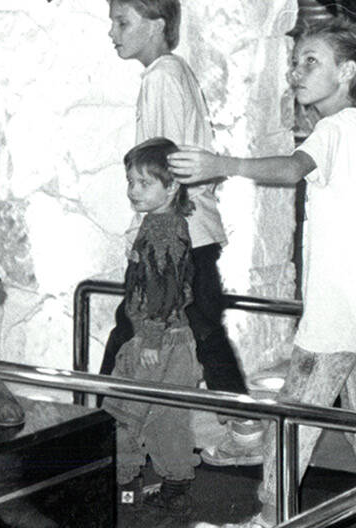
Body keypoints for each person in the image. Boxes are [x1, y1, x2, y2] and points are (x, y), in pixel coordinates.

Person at [169, 18, 356, 528]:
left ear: (346, 71)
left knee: (292, 418)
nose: (296, 73)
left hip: (338, 314)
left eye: (311, 62)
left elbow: (291, 169)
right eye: (295, 62)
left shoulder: (334, 129)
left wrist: (222, 163)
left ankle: (269, 517)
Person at [101, 0, 263, 463]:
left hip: (175, 235)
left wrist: (150, 236)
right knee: (195, 326)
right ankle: (246, 426)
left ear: (157, 23)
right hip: (189, 231)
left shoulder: (162, 78)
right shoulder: (173, 74)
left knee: (139, 326)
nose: (113, 33)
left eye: (122, 22)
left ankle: (91, 430)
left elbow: (163, 165)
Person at [104, 138, 201, 514]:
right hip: (174, 339)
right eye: (130, 182)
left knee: (124, 411)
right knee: (167, 418)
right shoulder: (166, 223)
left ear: (172, 186)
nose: (133, 191)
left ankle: (124, 489)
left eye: (144, 183)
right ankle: (175, 487)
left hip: (156, 340)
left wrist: (150, 338)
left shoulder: (161, 228)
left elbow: (165, 288)